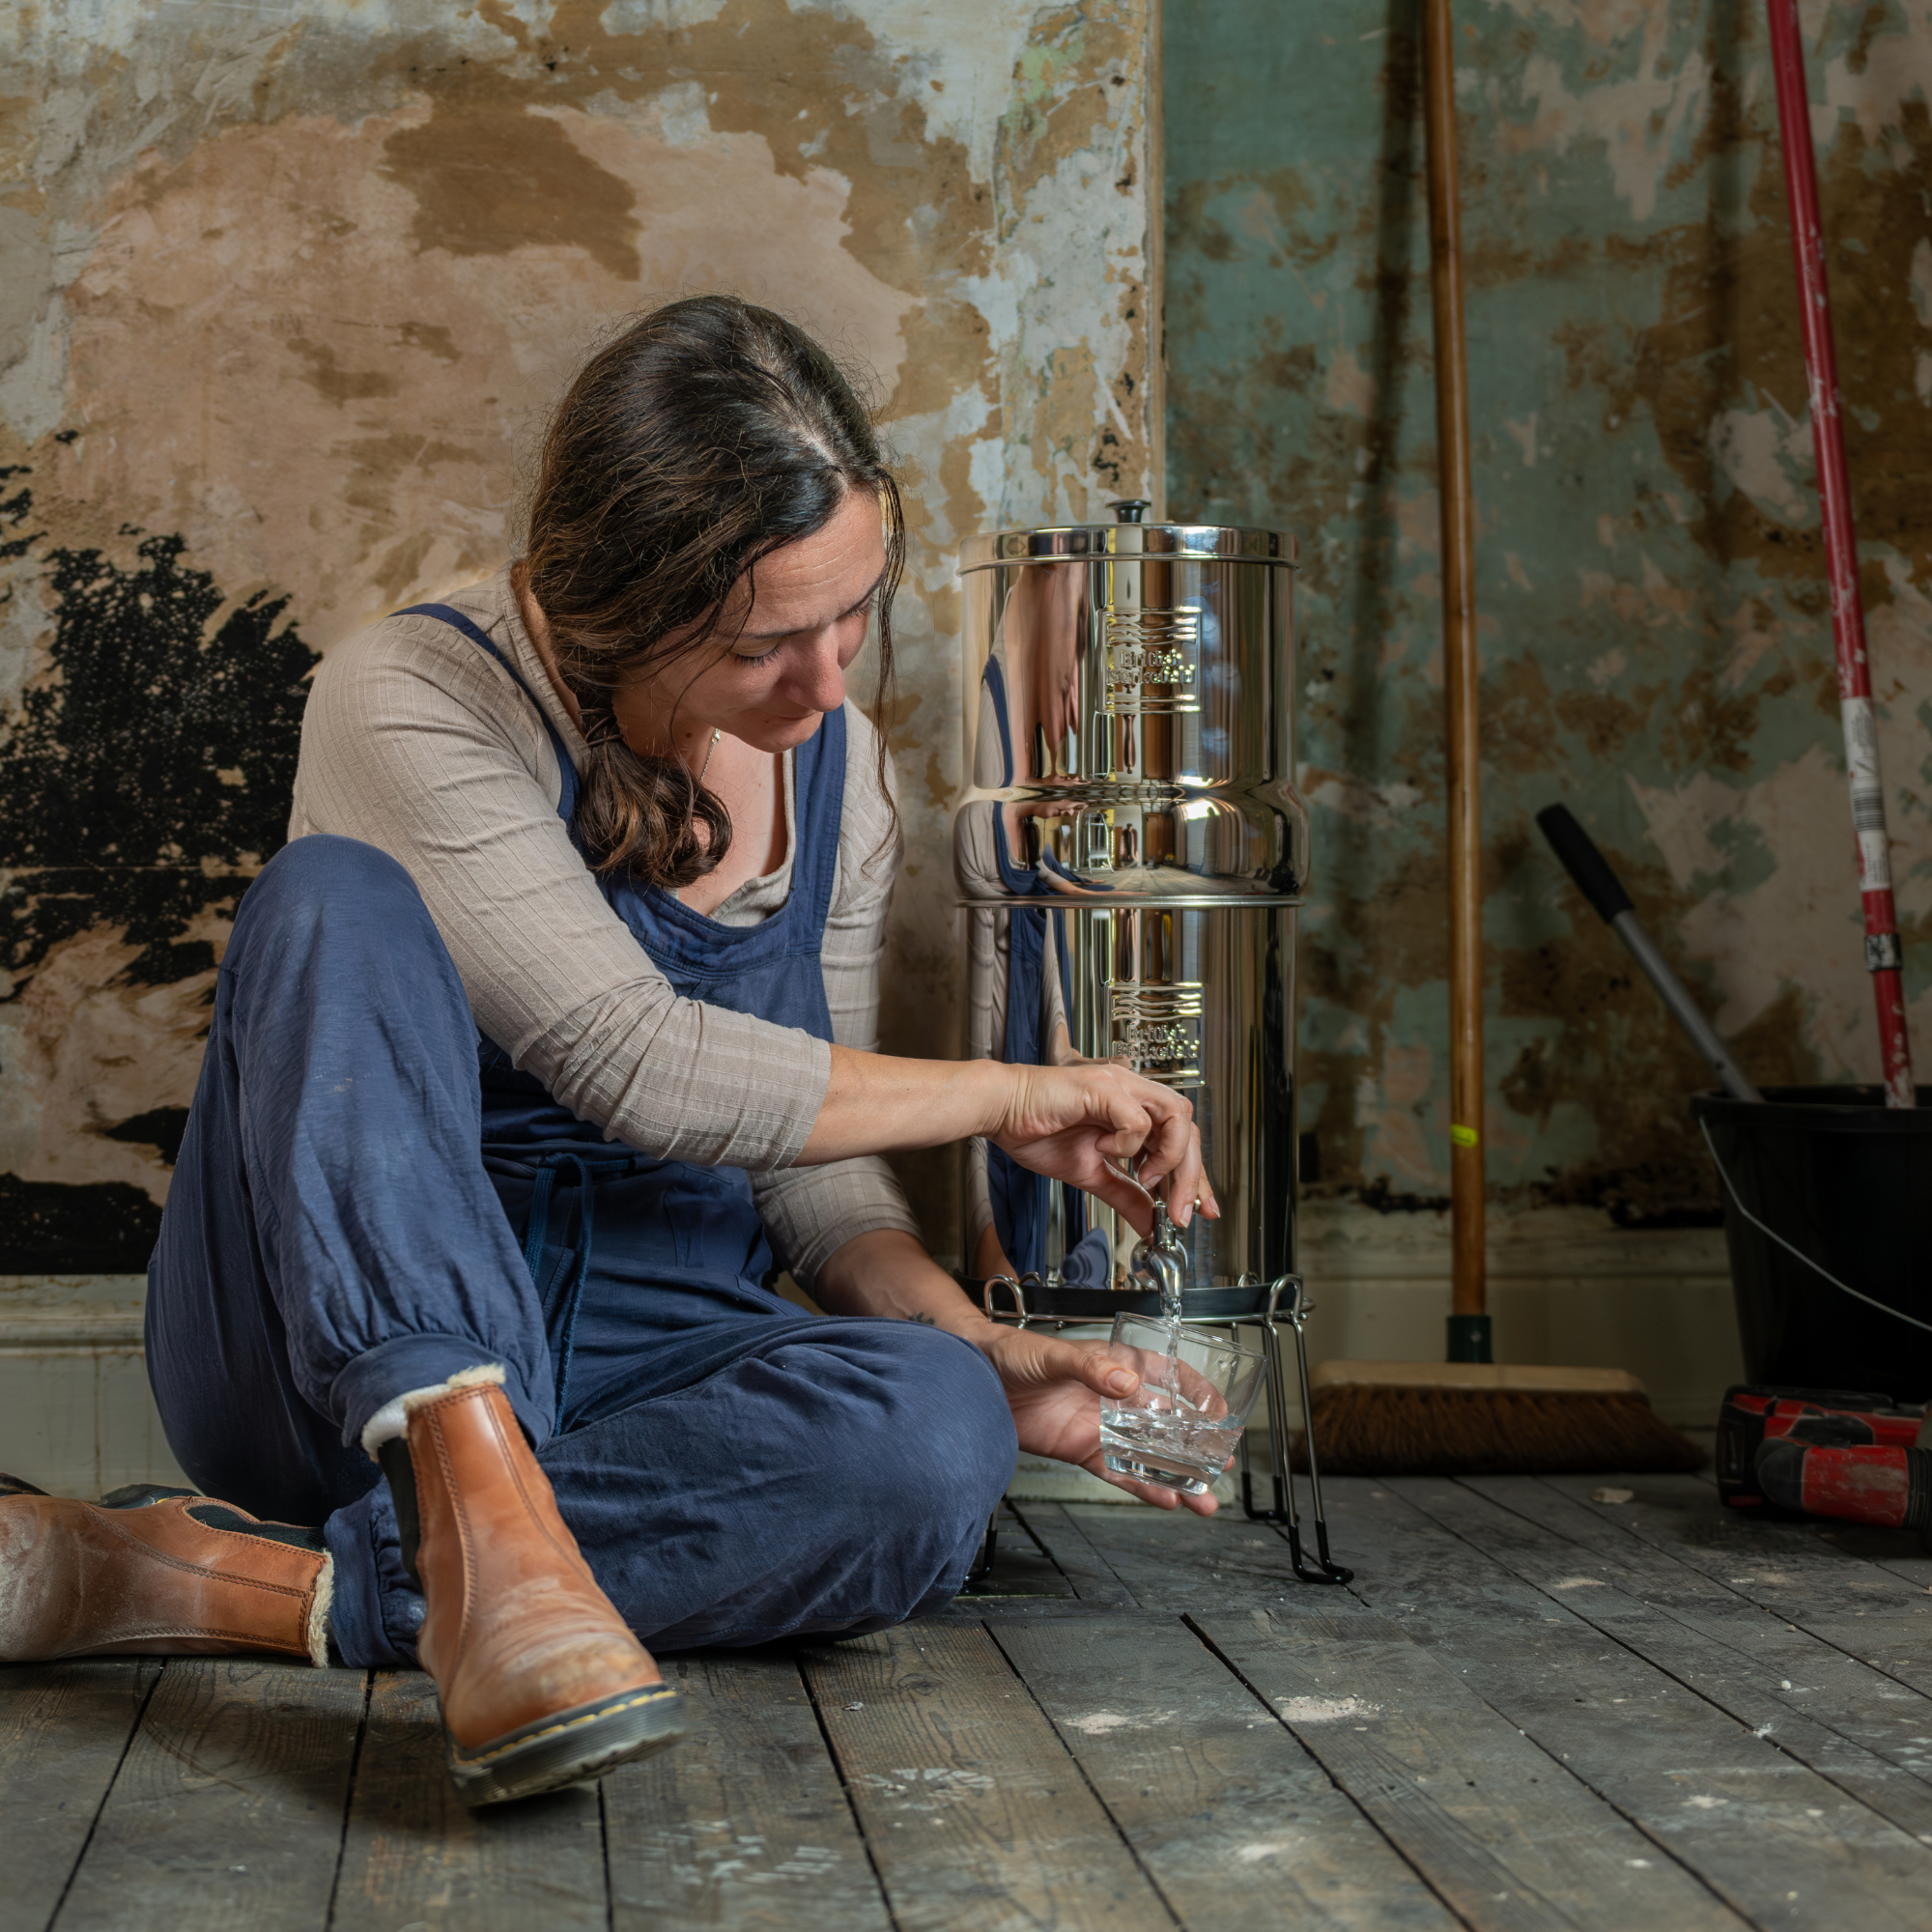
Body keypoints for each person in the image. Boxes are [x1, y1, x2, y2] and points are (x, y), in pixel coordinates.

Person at [0, 297, 1216, 1807]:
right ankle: (450, 1482)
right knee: (330, 900)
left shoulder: (838, 767)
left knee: (934, 1443)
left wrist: (973, 1348)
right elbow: (635, 1061)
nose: (832, 682)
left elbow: (812, 1185)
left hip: (644, 1366)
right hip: (321, 1355)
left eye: (856, 610)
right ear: (623, 608)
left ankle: (210, 1580)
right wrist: (1014, 1091)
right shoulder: (412, 697)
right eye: (769, 641)